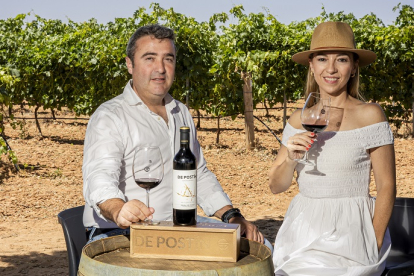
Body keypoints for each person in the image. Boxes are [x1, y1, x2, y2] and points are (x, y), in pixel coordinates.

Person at [82, 24, 271, 250]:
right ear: (129, 64)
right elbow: (99, 177)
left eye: (168, 59)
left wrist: (231, 215)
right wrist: (119, 209)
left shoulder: (180, 112)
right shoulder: (110, 116)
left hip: (176, 227)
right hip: (117, 230)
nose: (160, 68)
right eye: (150, 58)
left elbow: (197, 173)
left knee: (263, 248)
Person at [269, 21, 396, 275]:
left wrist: (375, 241)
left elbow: (387, 186)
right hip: (303, 232)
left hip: (353, 234)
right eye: (322, 59)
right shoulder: (298, 119)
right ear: (311, 65)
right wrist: (291, 159)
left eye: (341, 59)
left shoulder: (370, 115)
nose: (331, 69)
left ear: (353, 67)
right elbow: (276, 186)